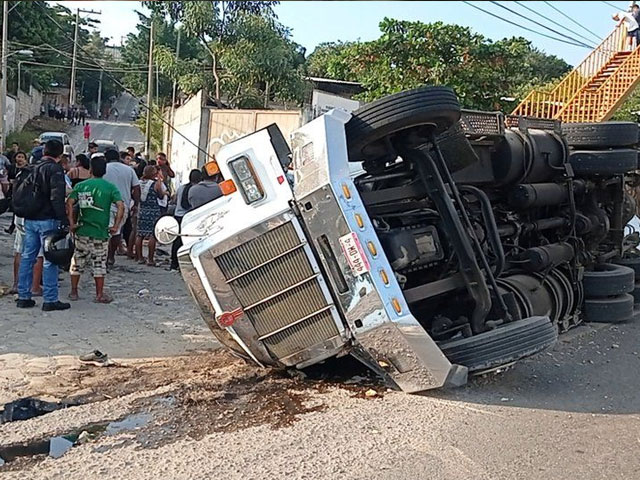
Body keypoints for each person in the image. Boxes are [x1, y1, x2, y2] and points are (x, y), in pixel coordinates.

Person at [16, 139, 70, 311]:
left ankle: (23, 296)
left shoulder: (32, 167)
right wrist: (63, 219)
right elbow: (56, 196)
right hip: (48, 219)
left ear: (44, 151)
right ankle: (50, 299)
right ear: (59, 154)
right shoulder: (55, 169)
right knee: (50, 258)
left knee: (28, 256)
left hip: (30, 218)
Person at [67, 155, 124, 304]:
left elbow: (70, 202)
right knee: (99, 263)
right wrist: (116, 225)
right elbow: (120, 205)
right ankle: (99, 294)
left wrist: (72, 223)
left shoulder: (81, 186)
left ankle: (74, 291)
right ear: (104, 171)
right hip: (100, 232)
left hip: (82, 230)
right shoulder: (110, 187)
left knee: (77, 261)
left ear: (91, 169)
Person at [10, 151, 43, 296]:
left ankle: (16, 284)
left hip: (19, 216)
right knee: (37, 253)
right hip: (33, 217)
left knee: (19, 250)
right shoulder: (39, 176)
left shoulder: (20, 175)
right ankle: (34, 287)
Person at [103, 148, 140, 266]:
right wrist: (136, 204)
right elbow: (136, 188)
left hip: (105, 204)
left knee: (104, 231)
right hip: (123, 205)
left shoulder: (104, 168)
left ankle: (103, 255)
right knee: (117, 231)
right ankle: (111, 256)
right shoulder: (129, 170)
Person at [169, 169, 202, 271]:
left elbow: (175, 200)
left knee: (177, 241)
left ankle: (174, 263)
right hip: (189, 217)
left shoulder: (181, 188)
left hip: (178, 216)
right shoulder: (196, 189)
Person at [135, 165, 164, 266]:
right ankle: (150, 259)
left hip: (142, 210)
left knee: (140, 234)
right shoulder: (155, 184)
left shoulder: (139, 183)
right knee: (153, 235)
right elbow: (160, 196)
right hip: (153, 211)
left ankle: (140, 258)